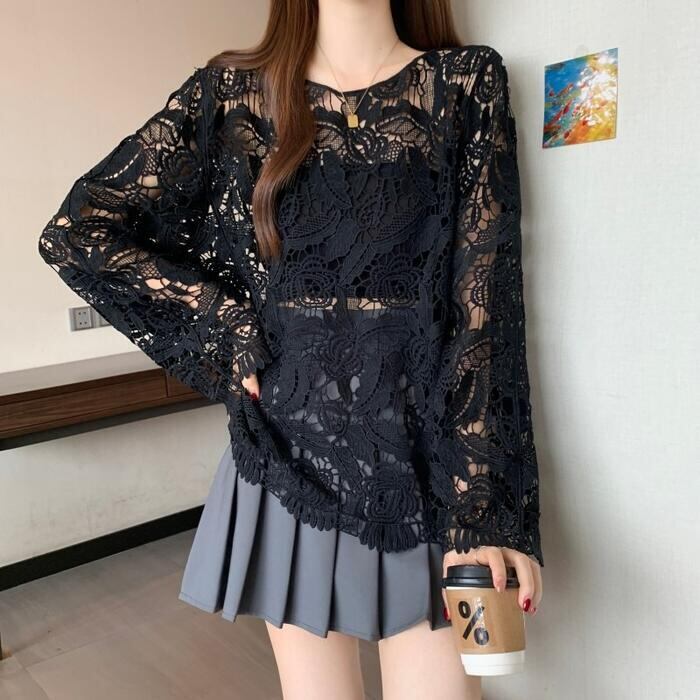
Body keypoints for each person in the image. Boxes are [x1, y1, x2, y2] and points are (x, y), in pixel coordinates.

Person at [37, 0, 544, 697]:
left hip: (429, 464)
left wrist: (484, 503)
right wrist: (226, 325)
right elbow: (80, 231)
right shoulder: (230, 97)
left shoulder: (464, 83)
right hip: (286, 456)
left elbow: (483, 307)